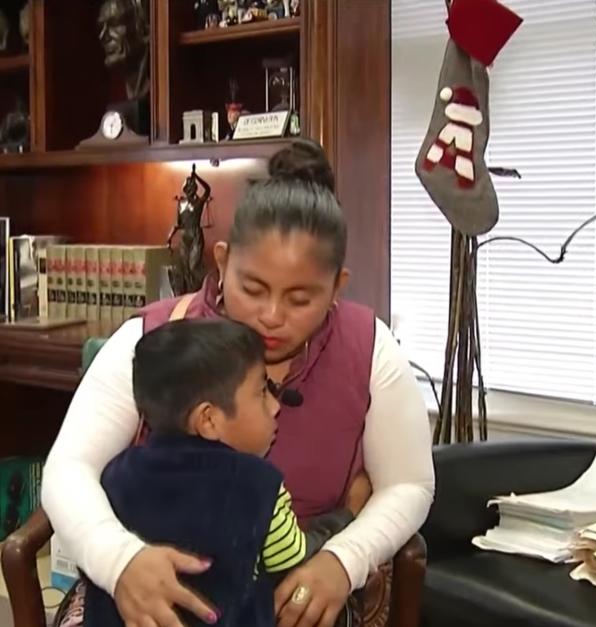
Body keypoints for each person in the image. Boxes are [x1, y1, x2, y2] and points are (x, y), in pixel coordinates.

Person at [42, 139, 435, 627]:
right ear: (223, 261)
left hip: (297, 589)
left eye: (300, 299)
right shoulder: (155, 338)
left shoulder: (369, 347)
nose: (271, 318)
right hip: (143, 580)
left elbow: (410, 484)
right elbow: (68, 468)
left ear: (337, 286)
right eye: (253, 288)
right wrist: (118, 560)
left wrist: (344, 560)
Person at [84, 318, 356, 627]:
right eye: (261, 392)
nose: (276, 406)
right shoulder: (259, 484)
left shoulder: (114, 474)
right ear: (209, 420)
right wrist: (339, 523)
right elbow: (292, 559)